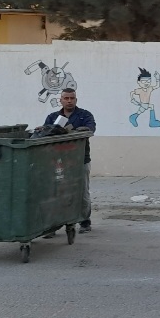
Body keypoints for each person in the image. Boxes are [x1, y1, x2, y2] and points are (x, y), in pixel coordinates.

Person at [43, 88, 97, 233]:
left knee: (82, 191)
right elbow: (44, 134)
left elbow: (90, 129)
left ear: (76, 100)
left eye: (71, 98)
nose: (69, 101)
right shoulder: (52, 117)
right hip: (57, 161)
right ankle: (52, 225)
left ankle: (85, 222)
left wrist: (68, 131)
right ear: (60, 100)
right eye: (66, 98)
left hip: (80, 160)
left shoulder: (85, 115)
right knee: (55, 191)